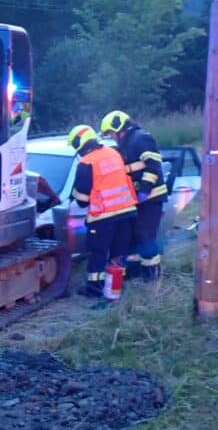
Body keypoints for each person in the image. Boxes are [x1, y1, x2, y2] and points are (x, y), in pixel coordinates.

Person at [67, 124, 137, 298]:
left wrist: (74, 194)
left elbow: (82, 200)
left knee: (97, 254)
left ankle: (94, 290)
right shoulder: (114, 153)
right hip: (127, 212)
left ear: (80, 144)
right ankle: (116, 288)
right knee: (118, 253)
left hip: (102, 218)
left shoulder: (86, 162)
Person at [100, 110, 168, 281]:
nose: (111, 137)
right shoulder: (124, 144)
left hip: (151, 197)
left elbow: (153, 166)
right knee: (135, 236)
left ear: (119, 127)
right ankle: (136, 271)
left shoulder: (141, 138)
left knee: (146, 235)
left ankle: (152, 274)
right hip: (136, 199)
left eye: (111, 133)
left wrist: (145, 190)